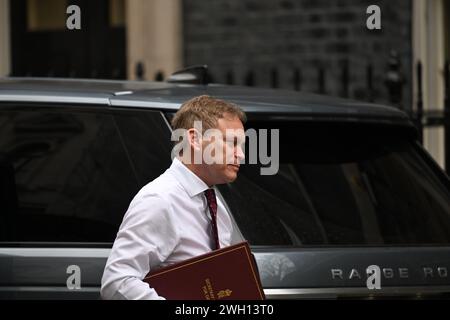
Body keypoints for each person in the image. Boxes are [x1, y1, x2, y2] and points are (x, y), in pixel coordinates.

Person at [101, 95, 246, 300]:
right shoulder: (159, 200)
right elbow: (116, 282)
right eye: (231, 142)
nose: (240, 154)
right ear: (194, 139)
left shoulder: (214, 203)